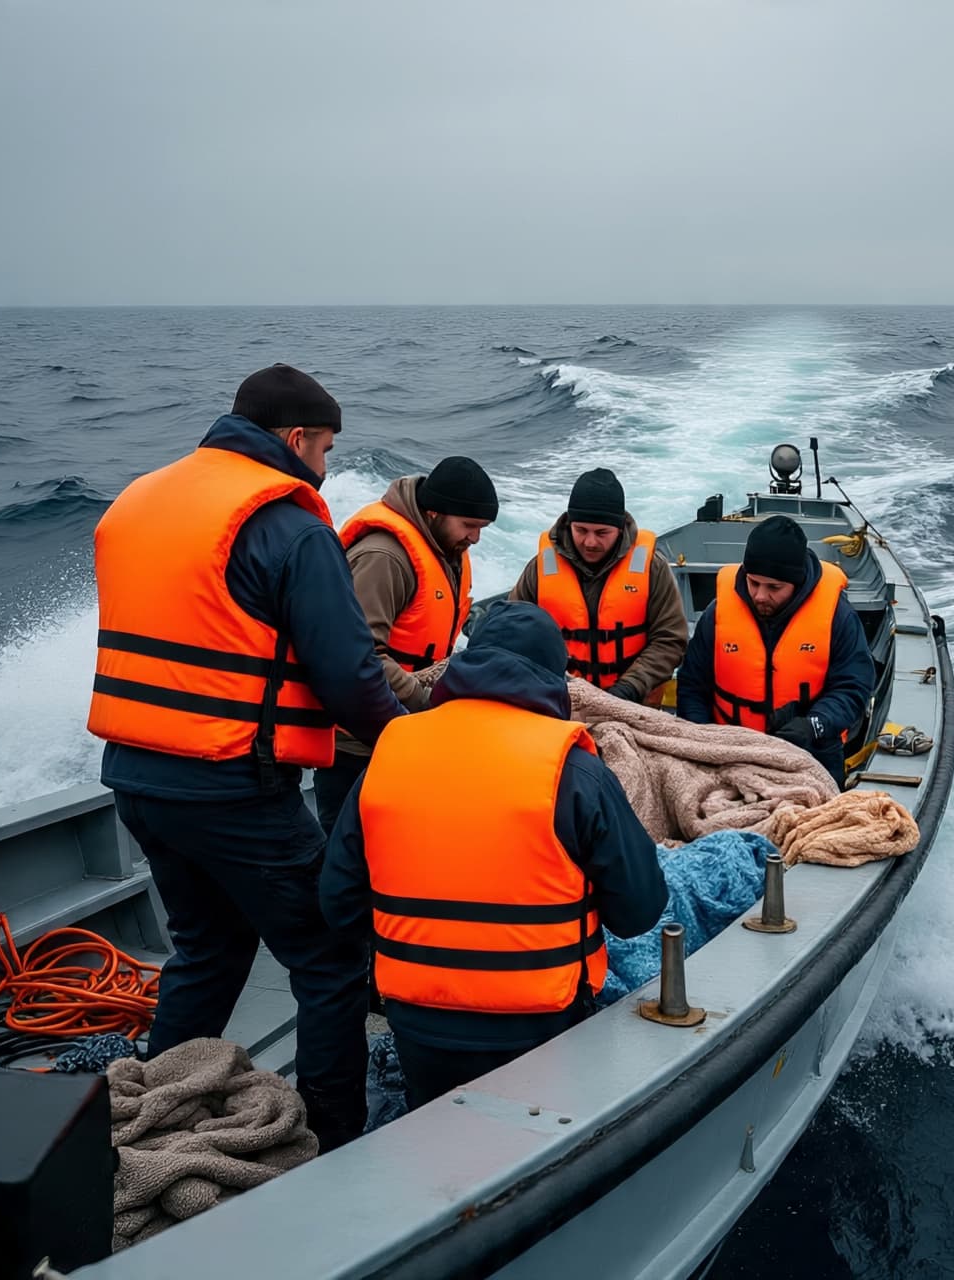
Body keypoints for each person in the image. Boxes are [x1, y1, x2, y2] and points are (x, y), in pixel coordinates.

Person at [86, 363, 406, 1152]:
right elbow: (346, 673)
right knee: (331, 959)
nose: (326, 466)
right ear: (296, 440)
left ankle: (153, 1112)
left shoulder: (141, 498)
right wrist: (410, 737)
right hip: (233, 789)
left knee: (208, 946)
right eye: (325, 449)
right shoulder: (291, 525)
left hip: (136, 779)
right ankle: (334, 1137)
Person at [320, 601, 668, 1110]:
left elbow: (338, 905)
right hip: (543, 1028)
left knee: (434, 1143)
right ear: (555, 678)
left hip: (419, 1025)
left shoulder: (391, 751)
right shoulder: (572, 768)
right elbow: (639, 910)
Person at [311, 456, 498, 835]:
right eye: (469, 526)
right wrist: (425, 699)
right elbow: (358, 654)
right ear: (433, 513)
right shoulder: (384, 559)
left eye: (481, 528)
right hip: (357, 747)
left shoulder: (447, 551)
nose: (475, 538)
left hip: (407, 731)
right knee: (352, 854)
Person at [675, 514, 874, 783]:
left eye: (774, 587)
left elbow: (854, 687)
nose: (759, 595)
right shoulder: (717, 614)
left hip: (810, 754)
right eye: (753, 582)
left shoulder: (838, 618)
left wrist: (814, 725)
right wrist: (703, 740)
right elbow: (692, 686)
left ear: (798, 582)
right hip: (730, 754)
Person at [509, 467, 687, 702]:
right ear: (568, 524)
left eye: (602, 532)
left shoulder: (652, 568)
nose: (590, 542)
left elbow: (670, 639)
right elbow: (511, 632)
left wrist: (629, 688)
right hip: (559, 700)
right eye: (581, 530)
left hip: (633, 702)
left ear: (620, 528)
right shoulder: (540, 569)